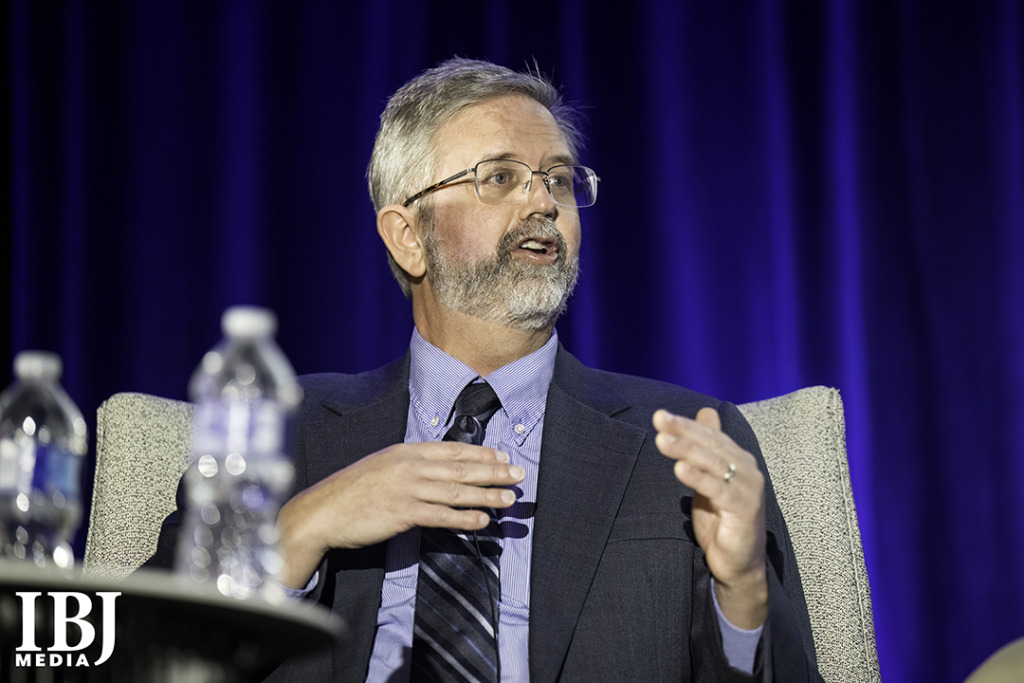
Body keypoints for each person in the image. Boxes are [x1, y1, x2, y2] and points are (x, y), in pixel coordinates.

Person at [147, 57, 823, 682]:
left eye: (559, 180)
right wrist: (301, 529)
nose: (544, 204)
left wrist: (742, 589)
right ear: (408, 236)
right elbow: (131, 655)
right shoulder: (286, 429)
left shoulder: (680, 444)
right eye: (500, 177)